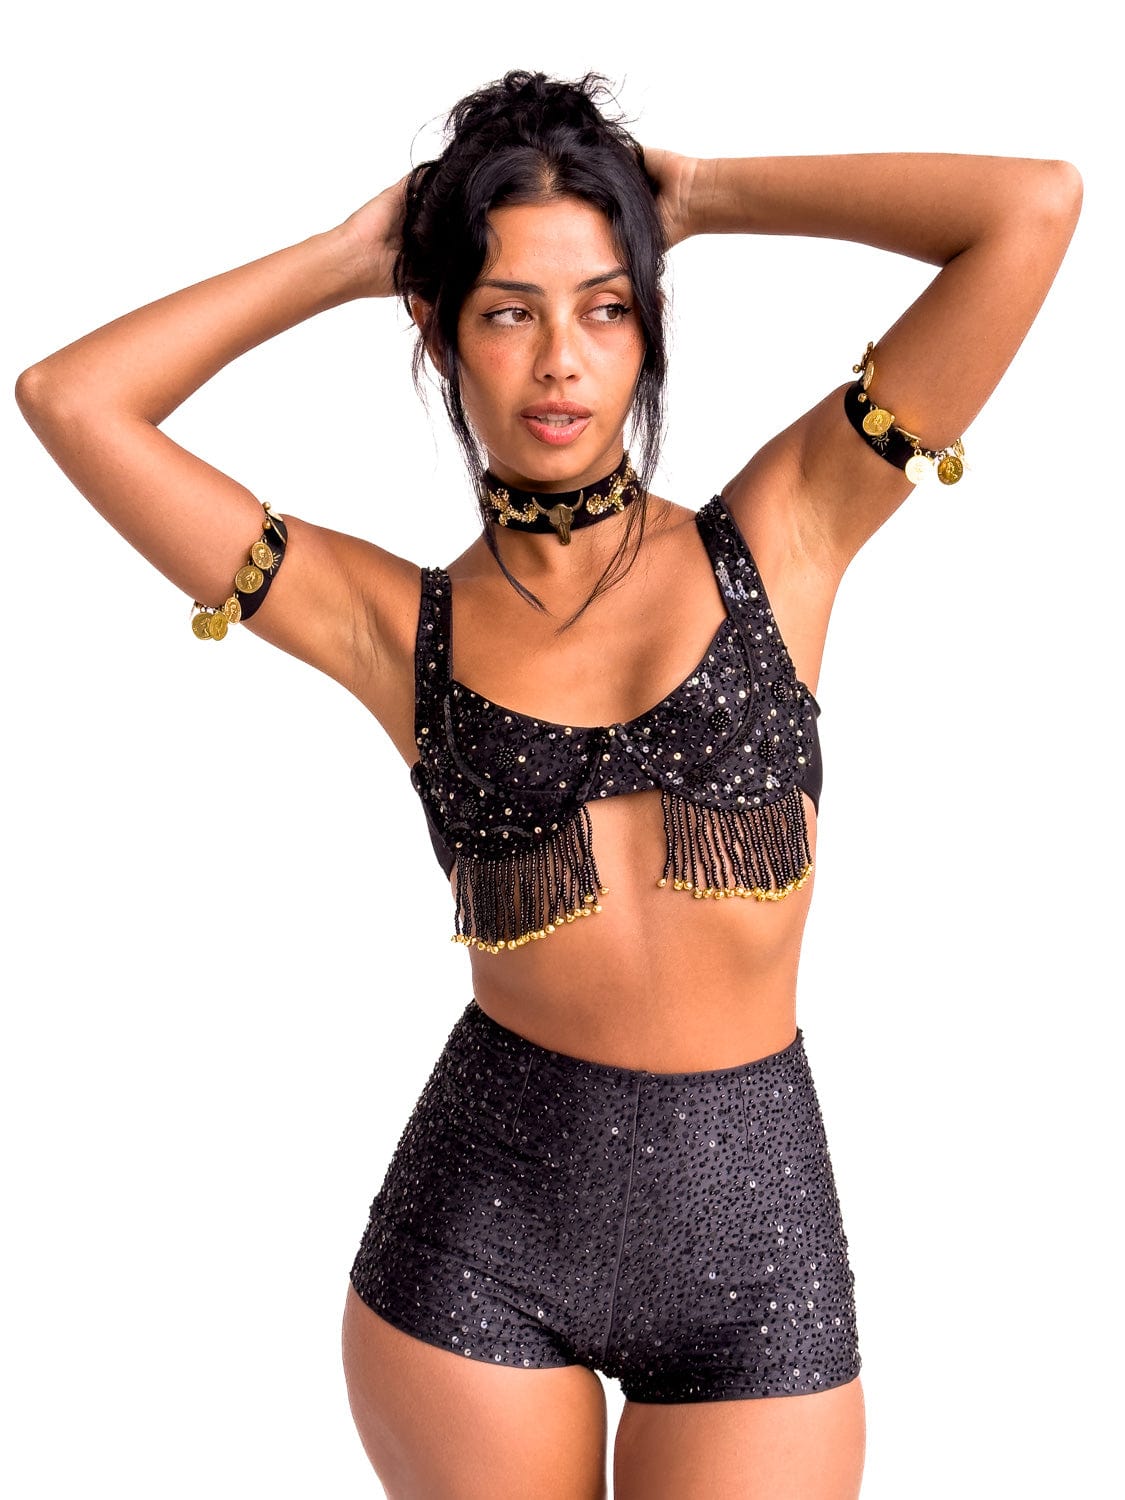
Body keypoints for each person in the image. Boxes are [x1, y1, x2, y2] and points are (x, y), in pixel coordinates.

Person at [15, 68, 1080, 1500]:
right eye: (508, 312)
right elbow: (71, 398)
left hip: (758, 1237)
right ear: (441, 330)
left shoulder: (784, 536)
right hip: (483, 1238)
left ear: (649, 321)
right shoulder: (390, 624)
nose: (561, 362)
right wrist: (348, 255)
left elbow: (1031, 210)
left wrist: (696, 195)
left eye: (605, 307)